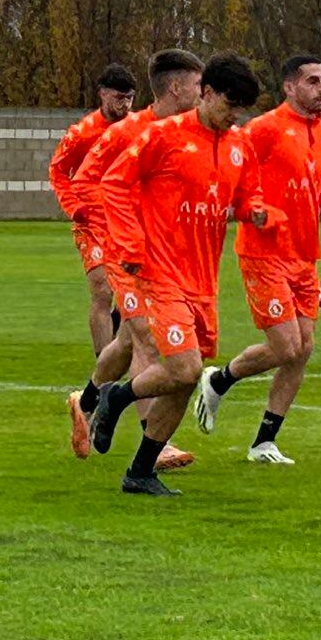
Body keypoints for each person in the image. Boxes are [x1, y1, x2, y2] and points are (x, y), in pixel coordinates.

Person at [86, 54, 269, 497]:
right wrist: (129, 245)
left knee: (186, 378)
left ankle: (140, 472)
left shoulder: (238, 144)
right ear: (204, 93)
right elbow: (114, 183)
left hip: (203, 279)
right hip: (158, 272)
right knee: (184, 368)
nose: (234, 116)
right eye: (229, 105)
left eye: (241, 109)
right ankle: (116, 397)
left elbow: (248, 193)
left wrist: (256, 211)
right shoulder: (162, 136)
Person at [190, 53, 321, 464]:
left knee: (302, 350)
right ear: (289, 87)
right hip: (263, 252)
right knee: (287, 347)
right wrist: (256, 209)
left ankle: (264, 442)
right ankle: (219, 379)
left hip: (305, 257)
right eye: (312, 81)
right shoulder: (263, 130)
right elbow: (233, 182)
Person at [63, 48, 204, 471]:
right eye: (199, 86)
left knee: (125, 344)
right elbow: (86, 182)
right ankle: (155, 446)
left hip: (167, 258)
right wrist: (121, 236)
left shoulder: (186, 132)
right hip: (129, 257)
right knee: (148, 341)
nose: (203, 94)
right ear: (176, 87)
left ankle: (86, 399)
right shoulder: (128, 131)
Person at [49, 64, 139, 357]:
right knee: (102, 291)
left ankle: (119, 347)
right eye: (118, 97)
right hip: (91, 224)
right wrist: (74, 207)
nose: (124, 104)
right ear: (102, 94)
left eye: (129, 98)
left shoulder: (139, 128)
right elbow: (58, 170)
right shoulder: (82, 133)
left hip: (127, 224)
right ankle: (104, 369)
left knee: (132, 293)